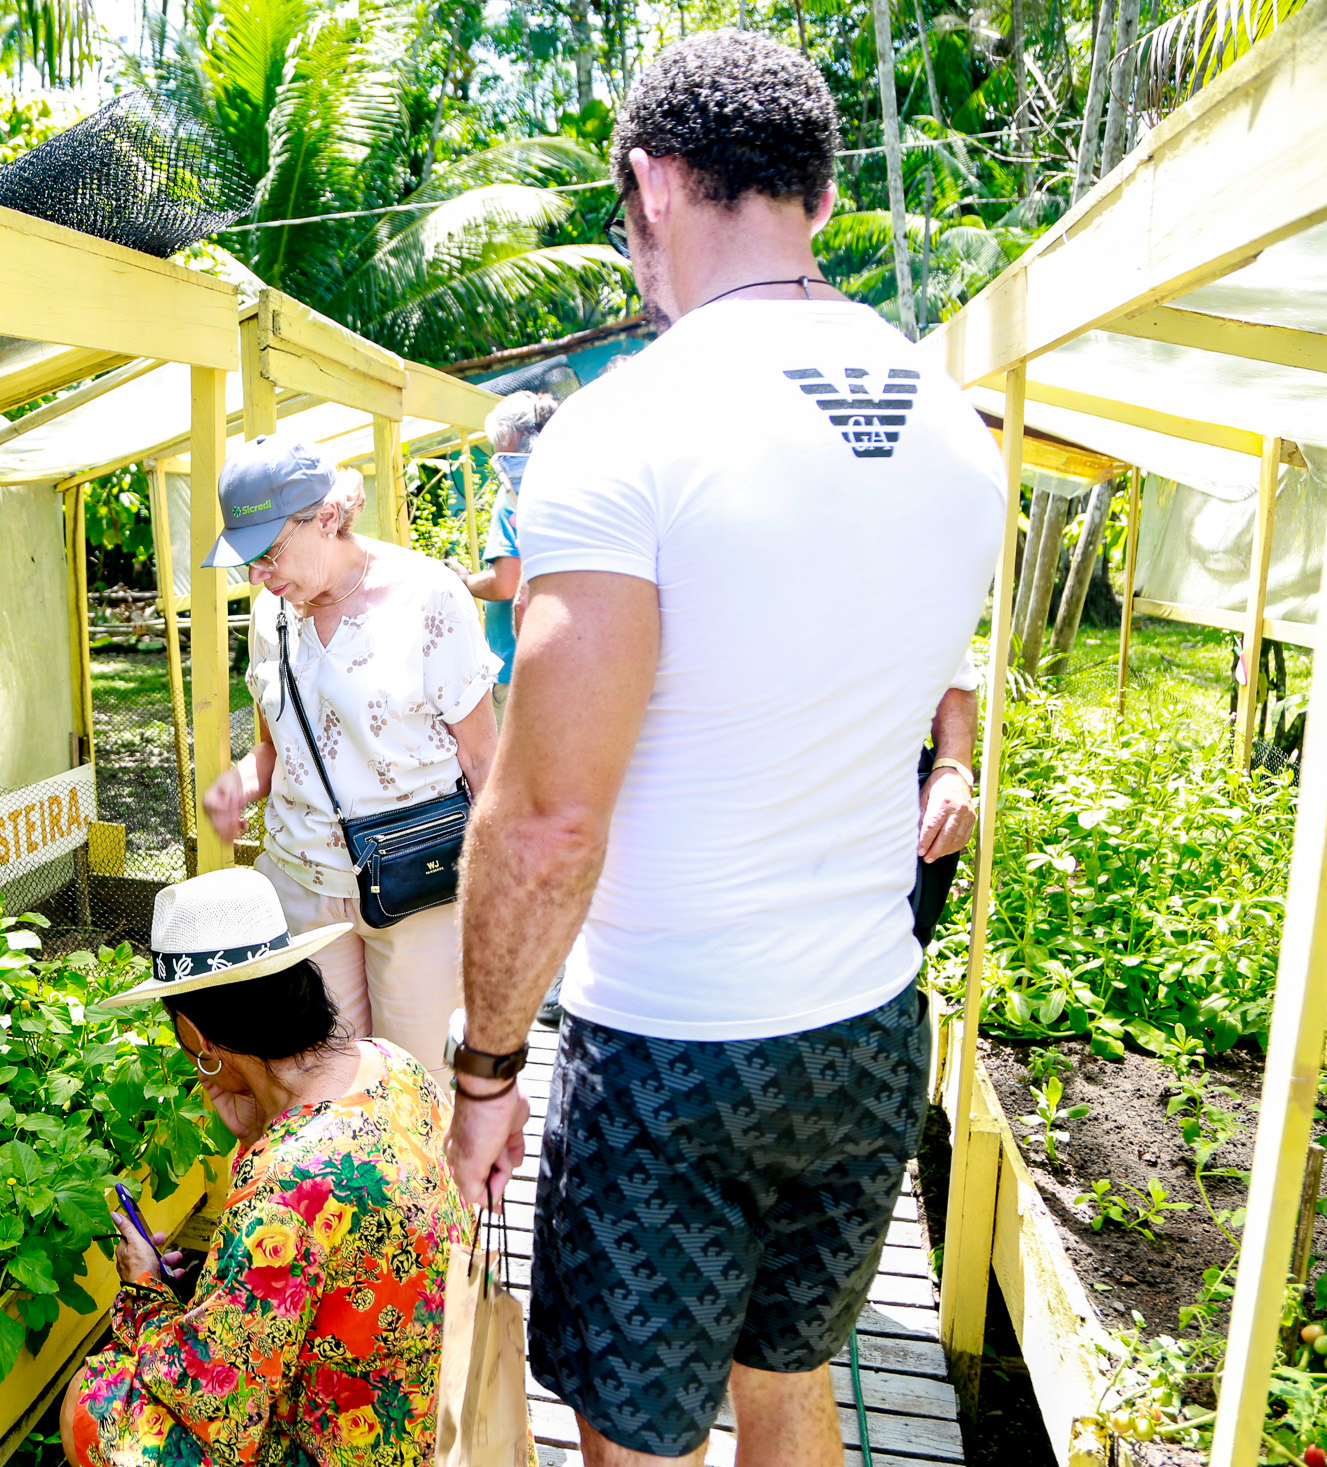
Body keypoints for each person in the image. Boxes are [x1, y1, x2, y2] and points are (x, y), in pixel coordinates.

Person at [441, 32, 1005, 1467]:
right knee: (794, 1385)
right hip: (869, 1019)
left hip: (673, 1041)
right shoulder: (952, 423)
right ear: (818, 197)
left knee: (639, 1437)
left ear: (652, 180)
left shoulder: (630, 424)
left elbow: (548, 817)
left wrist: (489, 1067)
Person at [61, 867, 466, 1467]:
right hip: (443, 1409)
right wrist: (257, 1132)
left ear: (197, 1033)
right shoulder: (393, 1066)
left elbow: (221, 1405)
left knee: (93, 1401)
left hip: (355, 1446)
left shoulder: (286, 1184)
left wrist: (144, 1293)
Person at [200, 435, 499, 1084]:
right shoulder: (268, 614)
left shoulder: (428, 597)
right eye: (245, 561)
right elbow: (285, 749)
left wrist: (496, 892)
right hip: (305, 887)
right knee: (320, 1089)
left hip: (419, 883)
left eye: (268, 553)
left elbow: (482, 757)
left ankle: (436, 1192)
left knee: (418, 1089)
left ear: (327, 519)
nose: (257, 575)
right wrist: (242, 782)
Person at [451, 391, 558, 717]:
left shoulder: (511, 492)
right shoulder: (557, 477)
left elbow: (505, 584)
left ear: (506, 433)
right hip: (559, 653)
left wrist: (465, 581)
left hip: (517, 664)